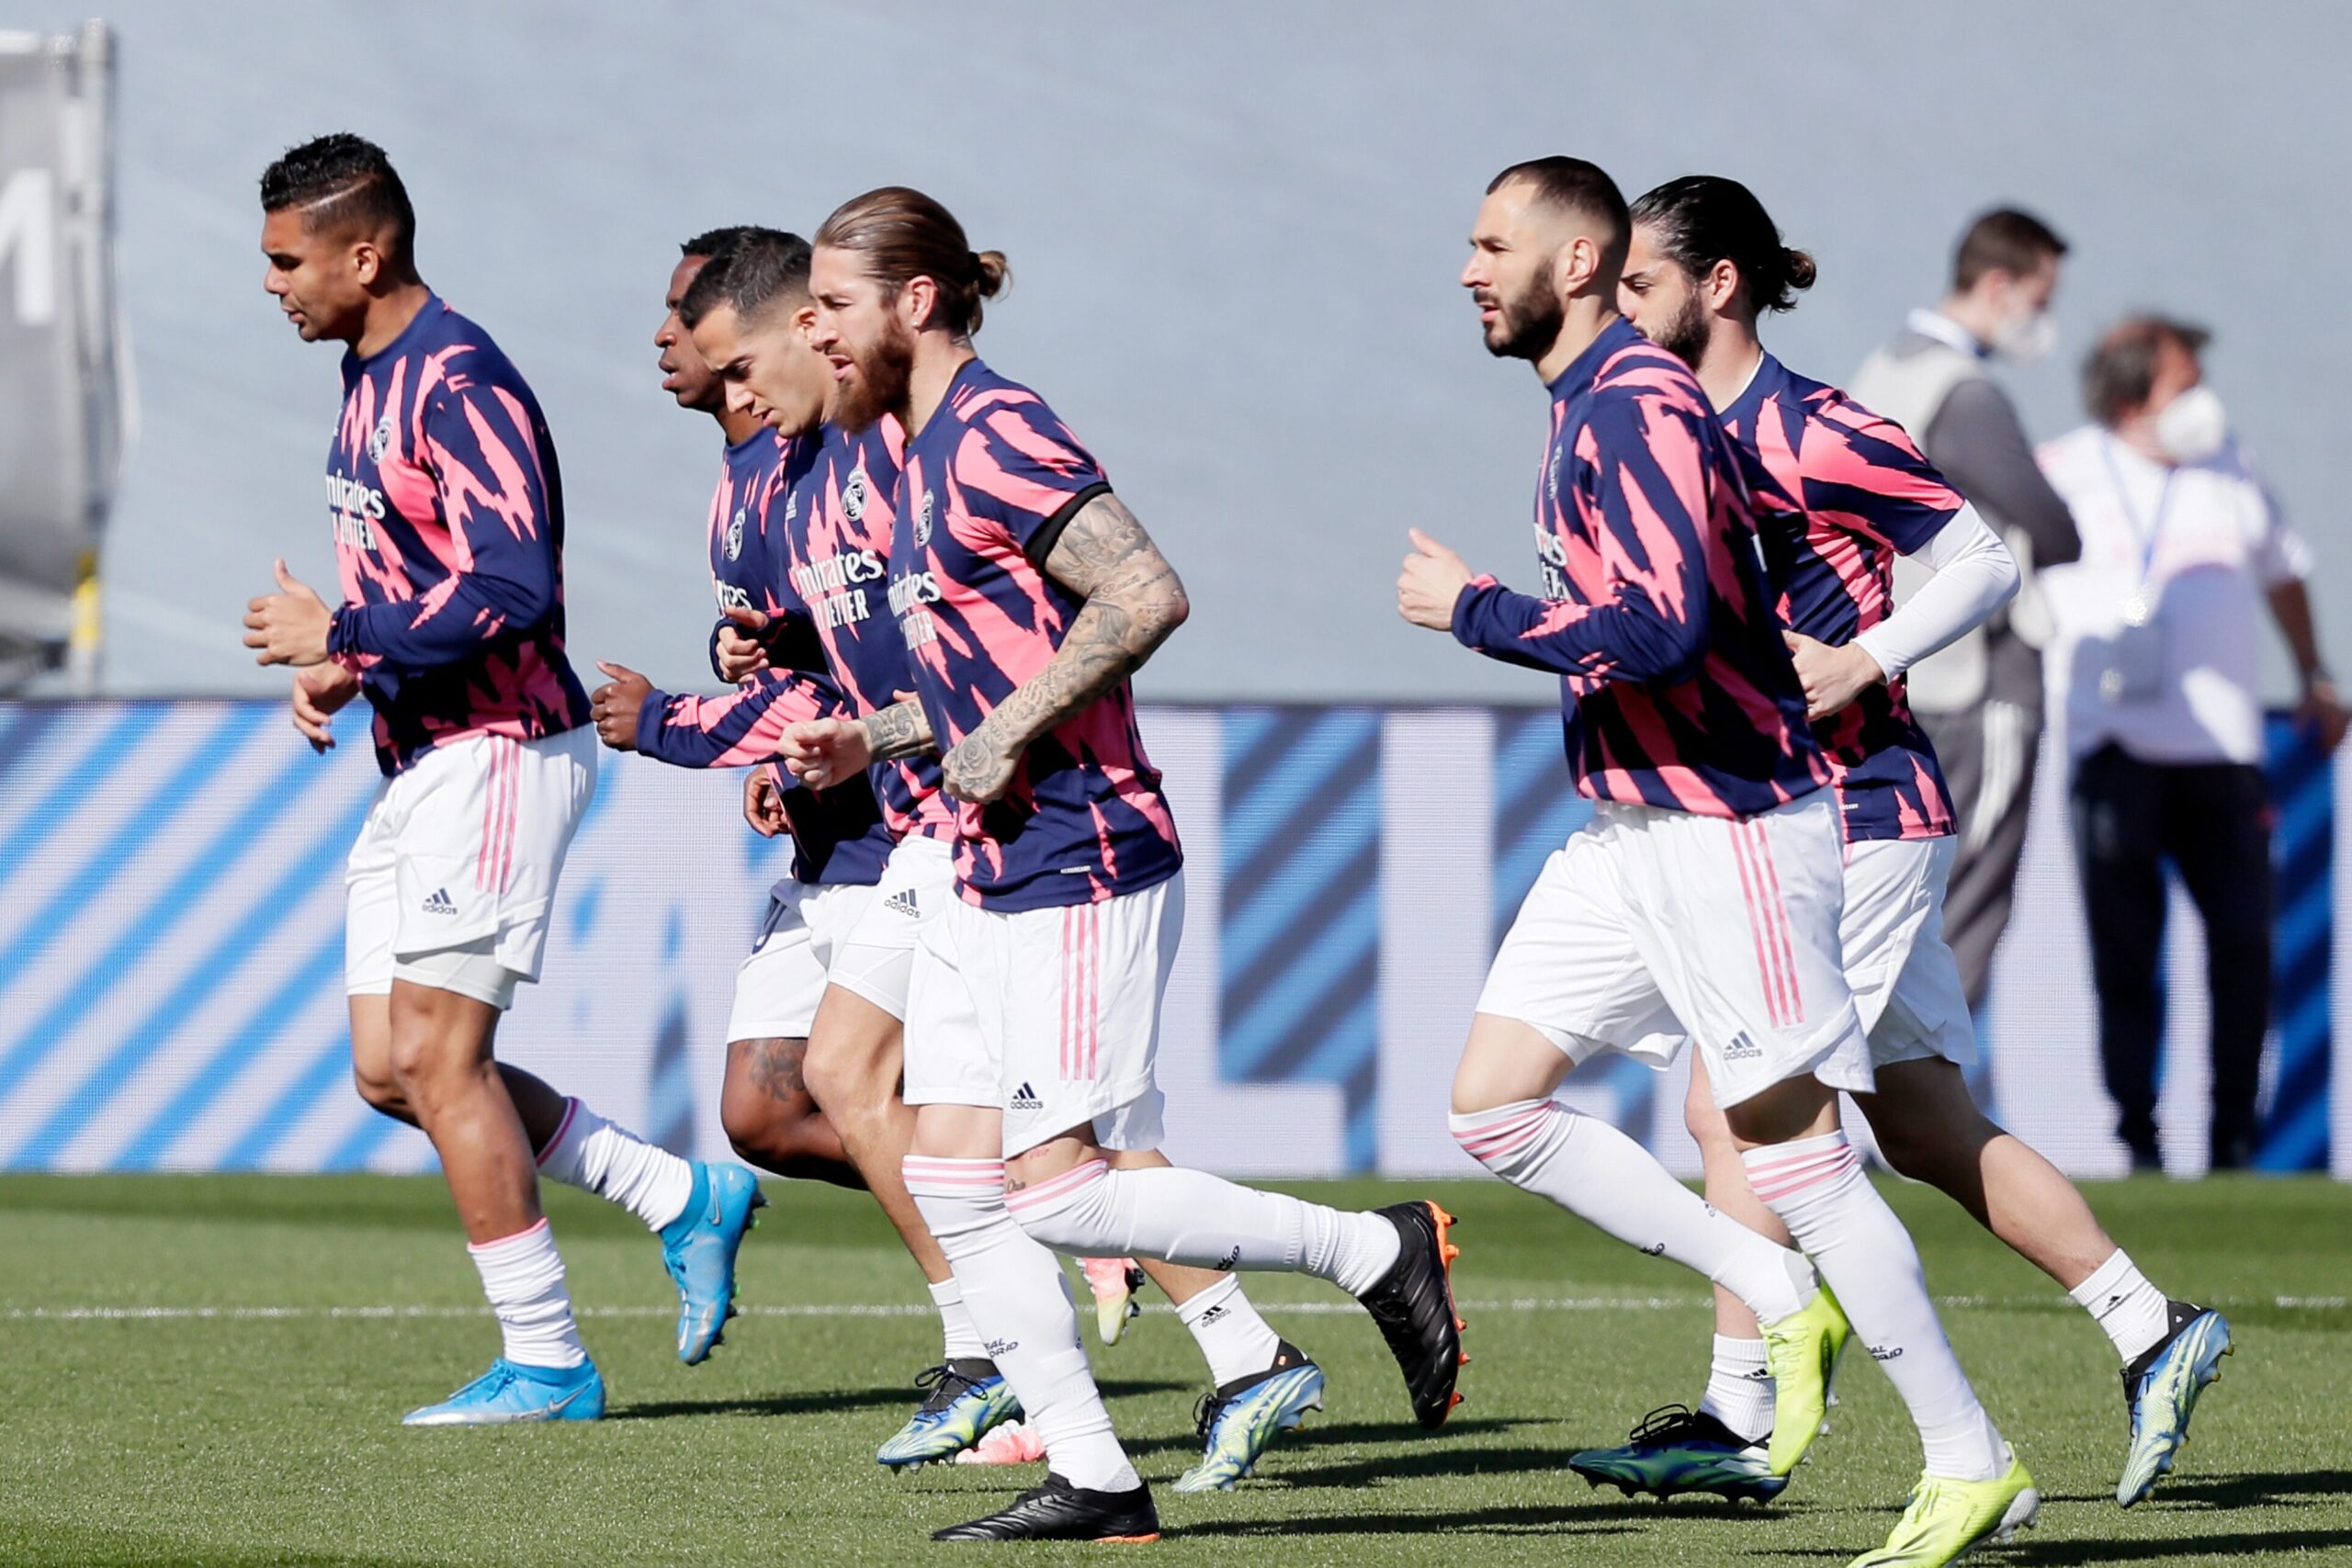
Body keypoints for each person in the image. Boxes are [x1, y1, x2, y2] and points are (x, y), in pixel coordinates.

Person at [785, 186, 1464, 1542]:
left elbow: (1146, 590)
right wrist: (881, 732)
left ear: (916, 302)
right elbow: (991, 670)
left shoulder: (998, 429)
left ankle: (1374, 1247)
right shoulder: (912, 454)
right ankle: (1098, 1478)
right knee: (956, 1186)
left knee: (1067, 1189)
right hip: (986, 855)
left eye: (837, 304)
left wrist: (1007, 734)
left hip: (1081, 845)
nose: (817, 329)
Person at [1404, 157, 2032, 1567]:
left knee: (1801, 1155)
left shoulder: (1639, 402)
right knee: (1493, 1109)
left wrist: (1476, 610)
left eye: (1489, 242)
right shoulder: (1589, 403)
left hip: (1733, 823)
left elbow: (1665, 626)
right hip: (1634, 826)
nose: (1466, 267)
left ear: (1570, 264)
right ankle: (1769, 1287)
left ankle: (1968, 1454)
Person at [1571, 174, 2230, 1517]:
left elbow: (1986, 555)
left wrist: (1865, 653)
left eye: (1638, 283)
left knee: (1733, 1102)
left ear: (1719, 285)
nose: (1615, 306)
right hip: (1779, 811)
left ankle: (1739, 1417)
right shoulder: (1671, 422)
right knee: (1922, 1120)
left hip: (1855, 807)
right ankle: (2153, 1324)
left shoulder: (1812, 422)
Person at [681, 228, 1322, 1487]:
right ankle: (1126, 1404)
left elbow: (1136, 595)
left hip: (1019, 833)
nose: (793, 347)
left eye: (814, 315)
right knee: (984, 1151)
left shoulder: (957, 434)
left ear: (902, 306)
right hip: (949, 824)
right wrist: (825, 721)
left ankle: (1350, 1262)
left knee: (1039, 1160)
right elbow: (914, 666)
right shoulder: (838, 469)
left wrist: (974, 735)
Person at [240, 135, 758, 1424]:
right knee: (388, 1067)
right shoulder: (369, 377)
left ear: (367, 253)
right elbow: (432, 578)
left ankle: (550, 1359)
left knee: (441, 1054)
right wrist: (347, 667)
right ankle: (673, 1193)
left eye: (286, 260)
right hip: (425, 755)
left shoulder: (458, 377)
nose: (273, 284)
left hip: (502, 753)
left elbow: (516, 589)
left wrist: (347, 639)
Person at [2041, 315, 2347, 1171]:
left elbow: (2285, 570)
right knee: (2128, 957)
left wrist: (2317, 673)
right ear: (2134, 395)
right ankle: (2138, 1137)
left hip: (2224, 756)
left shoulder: (2231, 466)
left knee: (2245, 948)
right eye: (2186, 383)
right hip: (2112, 753)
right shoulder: (2062, 471)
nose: (2203, 401)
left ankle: (2232, 1137)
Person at [1850, 209, 2082, 1025]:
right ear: (1999, 285)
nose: (2044, 321)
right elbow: (2054, 527)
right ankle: (1929, 1104)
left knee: (1897, 899)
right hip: (1979, 675)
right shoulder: (1966, 391)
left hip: (1893, 665)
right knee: (1969, 898)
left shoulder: (1880, 368)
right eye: (2041, 298)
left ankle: (1897, 1102)